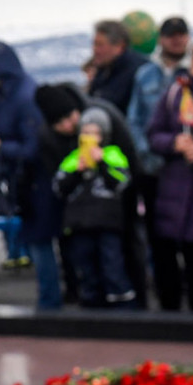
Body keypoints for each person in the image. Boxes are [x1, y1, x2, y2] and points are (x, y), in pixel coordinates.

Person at [147, 38, 193, 311]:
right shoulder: (176, 94)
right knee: (170, 271)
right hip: (175, 195)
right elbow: (153, 134)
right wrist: (174, 143)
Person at [128, 15, 190, 310]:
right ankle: (169, 307)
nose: (176, 39)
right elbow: (135, 122)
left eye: (181, 34)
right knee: (160, 241)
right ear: (161, 39)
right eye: (171, 35)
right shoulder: (146, 75)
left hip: (192, 173)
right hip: (154, 172)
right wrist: (149, 154)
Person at [55, 108, 135, 308]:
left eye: (95, 133)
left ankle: (123, 308)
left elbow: (122, 184)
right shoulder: (73, 158)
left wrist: (103, 164)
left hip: (107, 223)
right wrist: (77, 171)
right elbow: (59, 188)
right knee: (86, 269)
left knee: (113, 267)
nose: (89, 137)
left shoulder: (113, 154)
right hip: (80, 224)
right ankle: (91, 307)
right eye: (85, 132)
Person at [0, 42, 42, 270]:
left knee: (32, 232)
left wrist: (0, 147)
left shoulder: (24, 97)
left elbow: (32, 147)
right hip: (6, 174)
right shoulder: (2, 94)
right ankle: (16, 254)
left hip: (25, 178)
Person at [27, 85, 83, 309]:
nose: (68, 125)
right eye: (61, 122)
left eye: (70, 118)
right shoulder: (46, 140)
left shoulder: (91, 124)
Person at [86, 19, 149, 115]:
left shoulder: (139, 71)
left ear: (119, 46)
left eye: (100, 45)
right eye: (94, 44)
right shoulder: (104, 68)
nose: (95, 50)